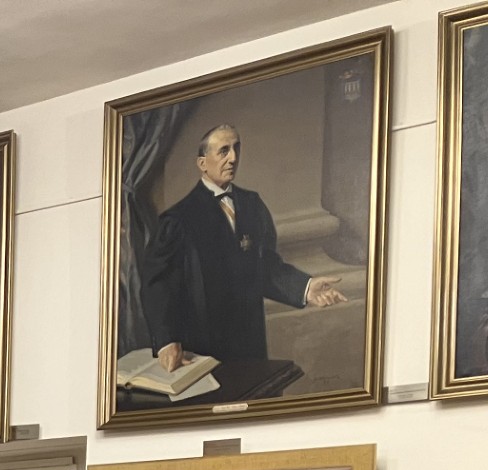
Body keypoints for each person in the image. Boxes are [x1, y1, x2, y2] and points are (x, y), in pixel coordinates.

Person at [142, 124, 347, 373]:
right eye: (224, 151)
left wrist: (305, 287)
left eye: (236, 149)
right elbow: (157, 284)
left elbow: (267, 267)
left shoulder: (253, 205)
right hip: (200, 349)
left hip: (249, 343)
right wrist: (166, 341)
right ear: (202, 163)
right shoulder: (178, 220)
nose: (234, 158)